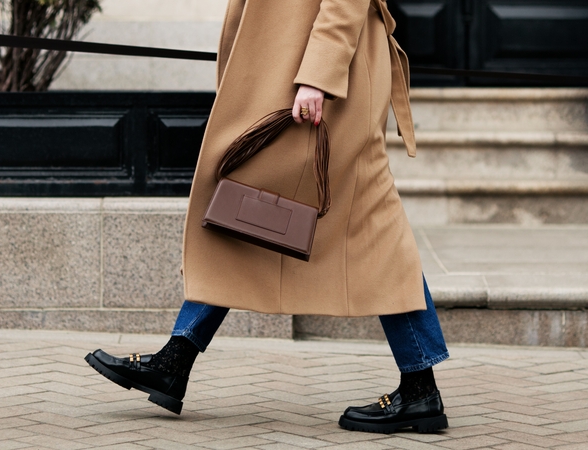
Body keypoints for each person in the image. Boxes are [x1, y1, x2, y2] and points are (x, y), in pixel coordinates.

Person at [86, 0, 450, 434]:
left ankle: (420, 386)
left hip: (330, 80)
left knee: (373, 223)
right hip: (294, 73)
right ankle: (175, 359)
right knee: (243, 207)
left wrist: (318, 75)